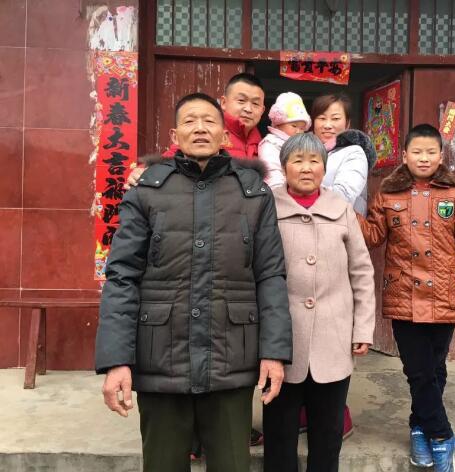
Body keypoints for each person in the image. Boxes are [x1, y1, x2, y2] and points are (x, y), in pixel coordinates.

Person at [95, 92, 293, 472]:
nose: (200, 128)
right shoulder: (147, 191)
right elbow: (122, 277)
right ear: (175, 135)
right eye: (189, 121)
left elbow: (270, 275)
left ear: (224, 135)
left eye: (209, 121)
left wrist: (274, 352)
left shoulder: (253, 193)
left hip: (230, 357)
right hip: (160, 358)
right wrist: (116, 361)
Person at [356, 124, 455, 472]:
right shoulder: (388, 194)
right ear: (405, 156)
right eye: (417, 152)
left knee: (434, 368)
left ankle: (419, 428)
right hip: (404, 295)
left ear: (441, 156)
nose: (424, 158)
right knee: (418, 370)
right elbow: (372, 235)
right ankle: (443, 436)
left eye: (431, 152)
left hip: (446, 295)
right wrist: (342, 210)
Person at [263, 133, 375, 472]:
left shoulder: (341, 209)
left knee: (327, 433)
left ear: (324, 169)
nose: (306, 168)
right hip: (282, 341)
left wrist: (363, 328)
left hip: (333, 336)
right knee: (279, 432)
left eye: (314, 161)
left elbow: (361, 271)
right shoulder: (266, 207)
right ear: (284, 167)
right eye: (297, 160)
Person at [311, 92, 377, 216]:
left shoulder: (354, 153)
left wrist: (302, 195)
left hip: (341, 225)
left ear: (347, 123)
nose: (327, 125)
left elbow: (343, 197)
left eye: (335, 119)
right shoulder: (305, 151)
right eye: (322, 118)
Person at [258, 92, 311, 188]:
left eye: (302, 128)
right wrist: (281, 193)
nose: (298, 131)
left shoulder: (304, 146)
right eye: (294, 126)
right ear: (278, 124)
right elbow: (272, 174)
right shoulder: (271, 144)